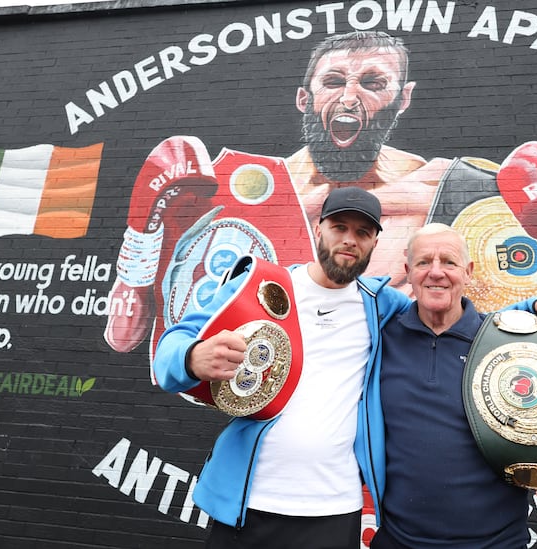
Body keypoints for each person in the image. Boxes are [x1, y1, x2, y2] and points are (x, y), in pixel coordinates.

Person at [105, 31, 537, 364]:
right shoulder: (228, 187)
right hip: (279, 403)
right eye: (333, 80)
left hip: (403, 406)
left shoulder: (462, 189)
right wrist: (142, 233)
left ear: (401, 99)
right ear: (305, 96)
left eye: (372, 82)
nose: (349, 96)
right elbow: (126, 338)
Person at [151, 187, 411, 549]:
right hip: (250, 502)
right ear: (318, 229)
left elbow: (453, 314)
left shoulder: (382, 304)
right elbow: (173, 344)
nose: (350, 240)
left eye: (363, 233)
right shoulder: (262, 287)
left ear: (373, 244)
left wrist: (519, 316)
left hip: (335, 509)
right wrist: (191, 357)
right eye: (340, 227)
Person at [368, 223, 537, 549]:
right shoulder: (378, 339)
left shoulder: (511, 344)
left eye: (449, 262)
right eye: (424, 262)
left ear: (468, 272)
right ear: (408, 271)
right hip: (397, 542)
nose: (436, 272)